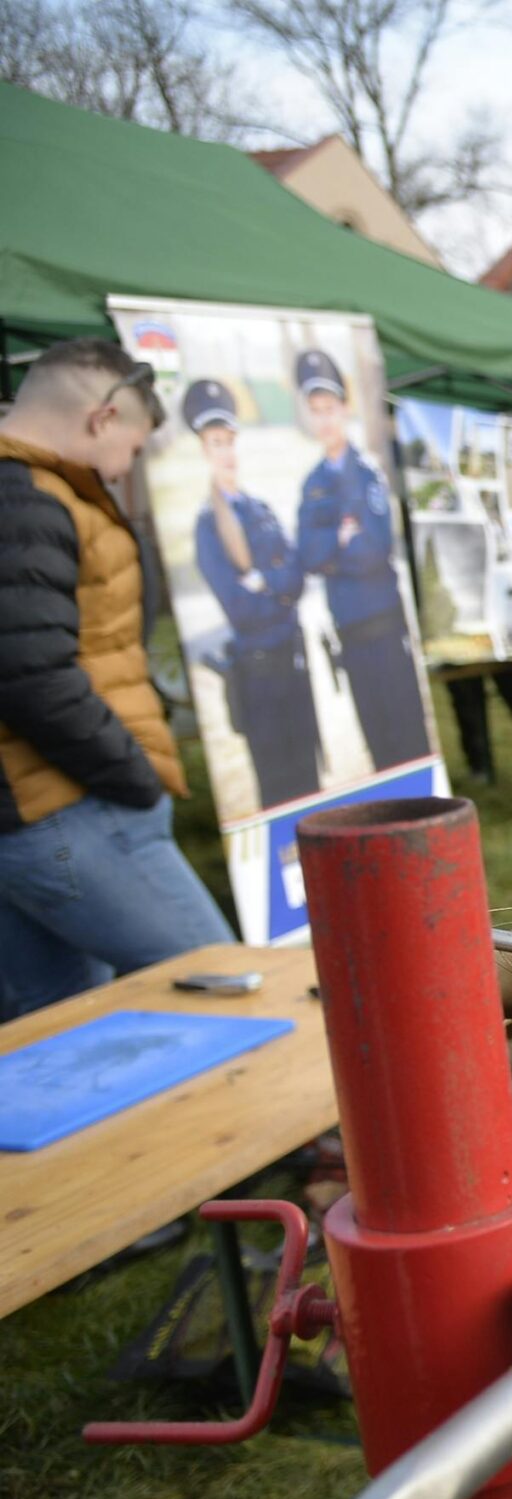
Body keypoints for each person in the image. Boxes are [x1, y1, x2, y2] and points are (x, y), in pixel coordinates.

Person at [0, 340, 237, 1020]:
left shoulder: (37, 494)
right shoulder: (27, 499)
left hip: (37, 811)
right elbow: (29, 676)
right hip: (68, 807)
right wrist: (133, 777)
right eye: (133, 446)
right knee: (224, 984)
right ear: (103, 418)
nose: (127, 465)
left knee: (63, 1027)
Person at [185, 379, 323, 807]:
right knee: (279, 781)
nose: (226, 452)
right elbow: (241, 608)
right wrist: (273, 583)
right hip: (259, 673)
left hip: (294, 662)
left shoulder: (258, 508)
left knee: (310, 771)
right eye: (215, 443)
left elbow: (297, 577)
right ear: (204, 451)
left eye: (229, 441)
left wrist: (268, 581)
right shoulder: (209, 526)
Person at [292, 349, 432, 770]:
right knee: (377, 739)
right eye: (315, 411)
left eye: (330, 408)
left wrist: (332, 549)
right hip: (348, 634)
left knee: (407, 733)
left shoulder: (368, 471)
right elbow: (308, 557)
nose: (324, 420)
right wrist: (340, 538)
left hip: (386, 629)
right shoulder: (313, 483)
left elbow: (374, 550)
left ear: (344, 409)